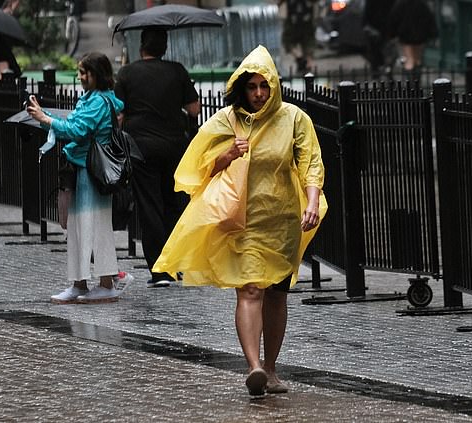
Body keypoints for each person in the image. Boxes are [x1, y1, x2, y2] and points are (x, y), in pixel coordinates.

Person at [153, 45, 327, 396]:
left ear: (275, 85)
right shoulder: (226, 121)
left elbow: (311, 164)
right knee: (249, 289)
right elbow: (196, 168)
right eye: (252, 87)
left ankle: (272, 369)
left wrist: (311, 202)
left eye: (265, 86)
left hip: (283, 220)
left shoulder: (294, 118)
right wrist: (227, 153)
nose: (259, 94)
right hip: (242, 220)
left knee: (277, 294)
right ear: (241, 88)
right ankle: (254, 367)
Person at [27, 52, 131, 304]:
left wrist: (45, 119)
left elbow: (76, 130)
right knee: (81, 228)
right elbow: (73, 126)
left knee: (90, 228)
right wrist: (45, 119)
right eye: (80, 72)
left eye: (85, 72)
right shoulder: (93, 99)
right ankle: (83, 283)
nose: (81, 77)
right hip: (85, 171)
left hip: (90, 172)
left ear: (98, 74)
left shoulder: (97, 102)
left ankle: (99, 283)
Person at [114, 28, 201, 288]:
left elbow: (118, 115)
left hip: (140, 147)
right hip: (174, 146)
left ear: (142, 46)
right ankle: (176, 264)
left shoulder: (127, 73)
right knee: (173, 204)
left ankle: (160, 270)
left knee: (149, 206)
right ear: (164, 47)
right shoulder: (177, 70)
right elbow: (194, 108)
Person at [387, 0, 438, 76]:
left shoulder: (401, 4)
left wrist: (393, 34)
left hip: (406, 36)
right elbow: (429, 19)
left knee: (409, 60)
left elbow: (393, 20)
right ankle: (416, 79)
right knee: (417, 60)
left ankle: (411, 81)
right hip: (420, 37)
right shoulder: (421, 4)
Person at [279, 0, 318, 73]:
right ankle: (302, 60)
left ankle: (305, 61)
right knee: (304, 41)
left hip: (303, 18)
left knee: (307, 41)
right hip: (294, 18)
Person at [362, 0, 397, 78]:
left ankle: (381, 73)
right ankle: (384, 73)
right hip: (383, 31)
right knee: (383, 55)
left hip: (380, 31)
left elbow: (366, 16)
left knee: (380, 55)